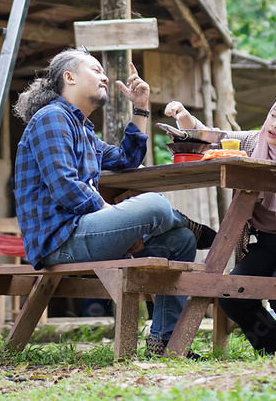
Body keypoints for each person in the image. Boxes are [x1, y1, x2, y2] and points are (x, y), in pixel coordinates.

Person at [12, 48, 212, 357]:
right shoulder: (51, 118)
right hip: (60, 239)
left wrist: (142, 107)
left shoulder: (83, 129)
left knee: (181, 241)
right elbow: (65, 187)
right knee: (154, 206)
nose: (105, 76)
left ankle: (164, 342)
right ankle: (181, 218)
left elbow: (126, 158)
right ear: (69, 77)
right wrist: (114, 217)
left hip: (83, 231)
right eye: (95, 70)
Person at [165, 87, 276, 358]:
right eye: (274, 115)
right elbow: (214, 139)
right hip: (268, 243)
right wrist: (184, 118)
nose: (275, 124)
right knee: (231, 293)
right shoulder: (252, 142)